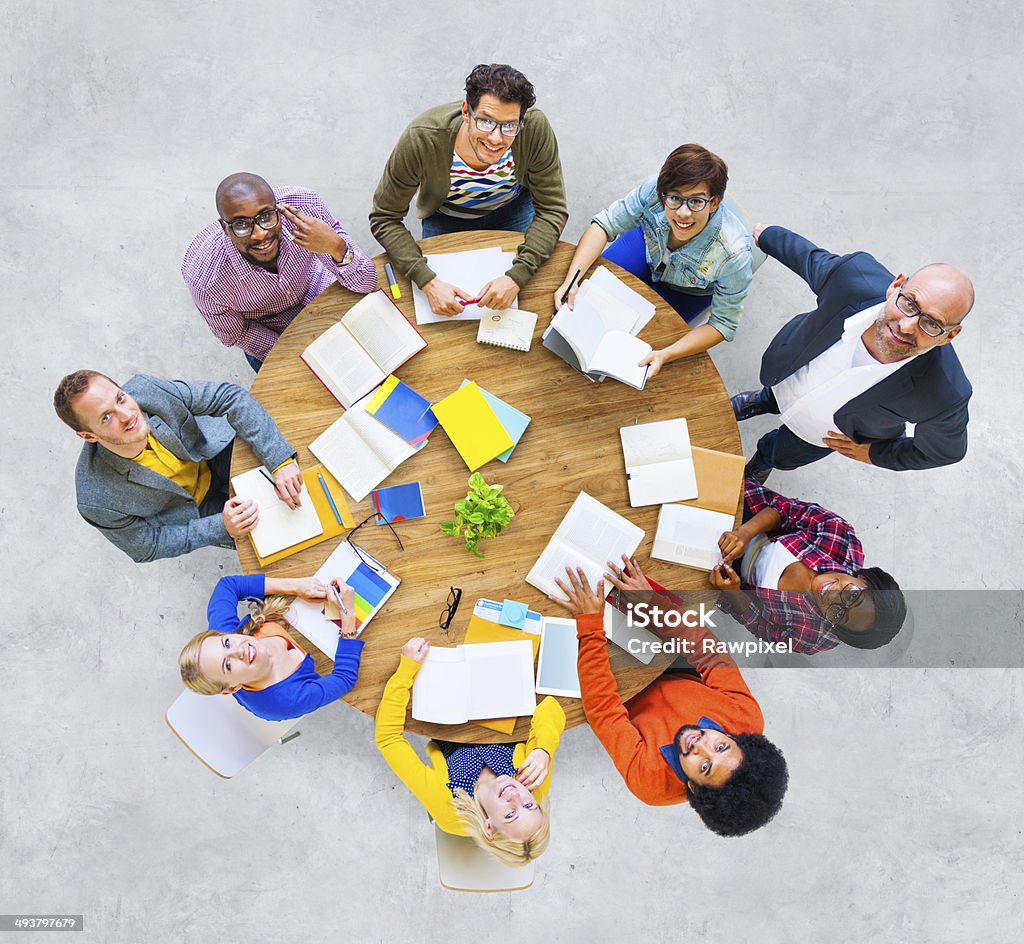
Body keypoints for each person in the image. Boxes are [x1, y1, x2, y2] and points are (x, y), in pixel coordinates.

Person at [551, 561, 787, 837]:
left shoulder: (650, 783)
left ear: (693, 787)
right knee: (637, 585)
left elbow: (604, 710)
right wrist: (650, 603)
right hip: (672, 667)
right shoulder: (746, 719)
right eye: (721, 746)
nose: (701, 744)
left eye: (705, 766)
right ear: (738, 739)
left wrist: (590, 626)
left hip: (621, 695)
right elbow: (708, 653)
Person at [731, 225, 974, 481]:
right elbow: (808, 259)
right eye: (910, 304)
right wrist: (767, 235)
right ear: (896, 285)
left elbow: (945, 452)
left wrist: (877, 454)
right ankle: (763, 400)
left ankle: (763, 460)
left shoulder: (946, 395)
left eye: (931, 324)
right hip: (786, 375)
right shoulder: (853, 278)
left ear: (949, 336)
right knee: (772, 394)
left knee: (779, 453)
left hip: (819, 434)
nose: (906, 326)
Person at [370, 63, 567, 317]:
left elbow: (552, 209)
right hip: (445, 218)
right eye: (485, 121)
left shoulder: (534, 127)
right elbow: (384, 217)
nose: (496, 139)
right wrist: (427, 281)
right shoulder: (422, 138)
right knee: (447, 312)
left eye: (509, 126)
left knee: (526, 305)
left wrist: (518, 276)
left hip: (513, 210)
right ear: (466, 111)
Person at [54, 370, 301, 562]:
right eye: (106, 417)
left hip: (212, 452)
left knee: (298, 487)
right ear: (88, 436)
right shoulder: (95, 499)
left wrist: (279, 460)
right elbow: (145, 546)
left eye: (120, 398)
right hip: (195, 510)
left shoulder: (147, 390)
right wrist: (218, 527)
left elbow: (230, 397)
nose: (127, 415)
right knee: (283, 542)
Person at [553, 144, 754, 378]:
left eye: (696, 201)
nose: (683, 213)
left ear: (715, 202)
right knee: (585, 302)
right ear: (662, 194)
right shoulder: (652, 188)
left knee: (637, 349)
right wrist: (572, 279)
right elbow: (605, 224)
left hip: (690, 289)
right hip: (645, 248)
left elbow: (722, 324)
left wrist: (666, 354)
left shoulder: (735, 254)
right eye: (675, 198)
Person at [375, 636, 564, 866]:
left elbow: (388, 739)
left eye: (510, 814)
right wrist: (544, 749)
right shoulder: (533, 786)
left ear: (489, 826)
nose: (515, 795)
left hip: (443, 707)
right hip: (496, 695)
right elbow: (550, 707)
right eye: (528, 806)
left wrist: (405, 672)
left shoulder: (446, 807)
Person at [182, 172, 377, 371]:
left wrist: (336, 247)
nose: (260, 233)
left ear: (278, 210)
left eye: (266, 216)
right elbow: (237, 334)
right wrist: (295, 355)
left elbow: (367, 281)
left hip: (318, 288)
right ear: (225, 229)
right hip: (270, 329)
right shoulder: (207, 280)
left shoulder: (306, 210)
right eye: (241, 225)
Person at [711, 480, 907, 654]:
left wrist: (733, 592)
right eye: (853, 595)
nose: (834, 598)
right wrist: (744, 534)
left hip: (728, 579)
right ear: (865, 579)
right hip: (752, 519)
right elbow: (785, 509)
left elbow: (762, 627)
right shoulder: (841, 538)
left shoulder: (811, 638)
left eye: (839, 615)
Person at [179, 575, 364, 722]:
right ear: (232, 689)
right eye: (227, 665)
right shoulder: (286, 702)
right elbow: (344, 678)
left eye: (227, 643)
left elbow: (227, 586)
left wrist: (295, 586)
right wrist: (347, 615)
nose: (238, 650)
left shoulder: (226, 632)